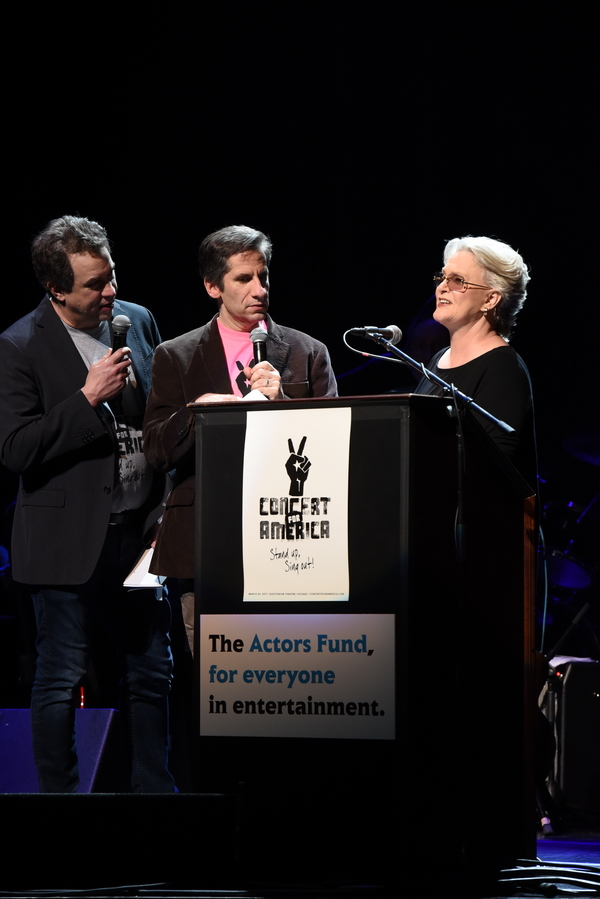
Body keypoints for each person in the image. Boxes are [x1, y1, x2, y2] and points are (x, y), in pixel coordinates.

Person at [0, 216, 175, 792]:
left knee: (152, 672)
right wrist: (85, 399)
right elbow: (16, 449)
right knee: (59, 675)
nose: (111, 293)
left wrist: (164, 508)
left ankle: (155, 797)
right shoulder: (21, 344)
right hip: (65, 541)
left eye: (112, 276)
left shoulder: (137, 321)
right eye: (95, 284)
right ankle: (60, 811)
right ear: (56, 289)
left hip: (138, 534)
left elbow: (158, 419)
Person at [143, 224, 337, 592]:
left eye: (263, 276)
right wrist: (195, 414)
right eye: (244, 279)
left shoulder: (307, 352)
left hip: (288, 533)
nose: (260, 290)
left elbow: (333, 447)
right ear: (212, 287)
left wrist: (282, 404)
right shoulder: (176, 356)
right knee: (213, 648)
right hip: (206, 534)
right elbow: (155, 451)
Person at [416, 235, 536, 486]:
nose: (442, 287)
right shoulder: (439, 359)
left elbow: (492, 467)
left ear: (490, 299)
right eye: (443, 277)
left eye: (458, 280)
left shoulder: (502, 368)